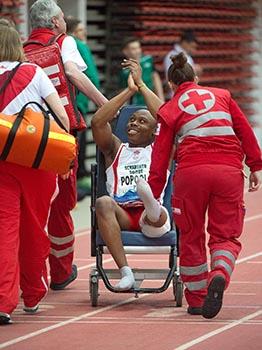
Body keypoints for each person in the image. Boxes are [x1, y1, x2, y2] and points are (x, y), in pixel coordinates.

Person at [122, 54, 262, 318]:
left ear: (172, 85)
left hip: (191, 175)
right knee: (225, 235)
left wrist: (153, 191)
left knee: (191, 234)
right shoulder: (223, 95)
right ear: (196, 79)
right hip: (228, 172)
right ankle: (219, 273)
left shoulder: (171, 108)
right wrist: (255, 165)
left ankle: (197, 299)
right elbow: (244, 130)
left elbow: (161, 155)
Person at [25, 0, 108, 291]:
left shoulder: (21, 51)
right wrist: (104, 104)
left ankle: (31, 277)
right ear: (55, 22)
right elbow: (72, 74)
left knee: (32, 209)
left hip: (26, 140)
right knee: (62, 205)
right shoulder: (64, 42)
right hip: (60, 137)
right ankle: (60, 272)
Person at [0, 23, 70, 325]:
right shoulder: (35, 73)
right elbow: (63, 117)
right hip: (36, 163)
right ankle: (33, 293)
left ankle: (4, 301)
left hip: (1, 161)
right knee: (34, 229)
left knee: (5, 232)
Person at [91, 74, 171, 291]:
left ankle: (151, 203)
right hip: (122, 214)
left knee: (155, 214)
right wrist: (129, 91)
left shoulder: (160, 150)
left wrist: (143, 85)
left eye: (142, 121)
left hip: (151, 218)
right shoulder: (116, 149)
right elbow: (98, 122)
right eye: (132, 119)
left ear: (155, 131)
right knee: (103, 202)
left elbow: (169, 118)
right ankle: (126, 273)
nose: (134, 122)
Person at [65, 16, 101, 200]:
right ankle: (79, 181)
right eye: (81, 32)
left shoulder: (60, 45)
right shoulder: (78, 46)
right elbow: (92, 76)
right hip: (79, 102)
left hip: (68, 103)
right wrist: (99, 99)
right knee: (79, 142)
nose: (84, 35)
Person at [119, 37, 164, 105]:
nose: (137, 51)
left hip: (152, 100)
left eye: (138, 47)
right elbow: (123, 91)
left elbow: (155, 78)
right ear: (125, 51)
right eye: (133, 49)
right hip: (136, 105)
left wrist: (161, 99)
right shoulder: (124, 71)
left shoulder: (148, 59)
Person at [163, 30, 202, 98]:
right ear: (184, 43)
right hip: (177, 94)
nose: (193, 50)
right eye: (192, 47)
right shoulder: (173, 56)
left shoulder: (188, 56)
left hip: (187, 93)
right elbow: (173, 76)